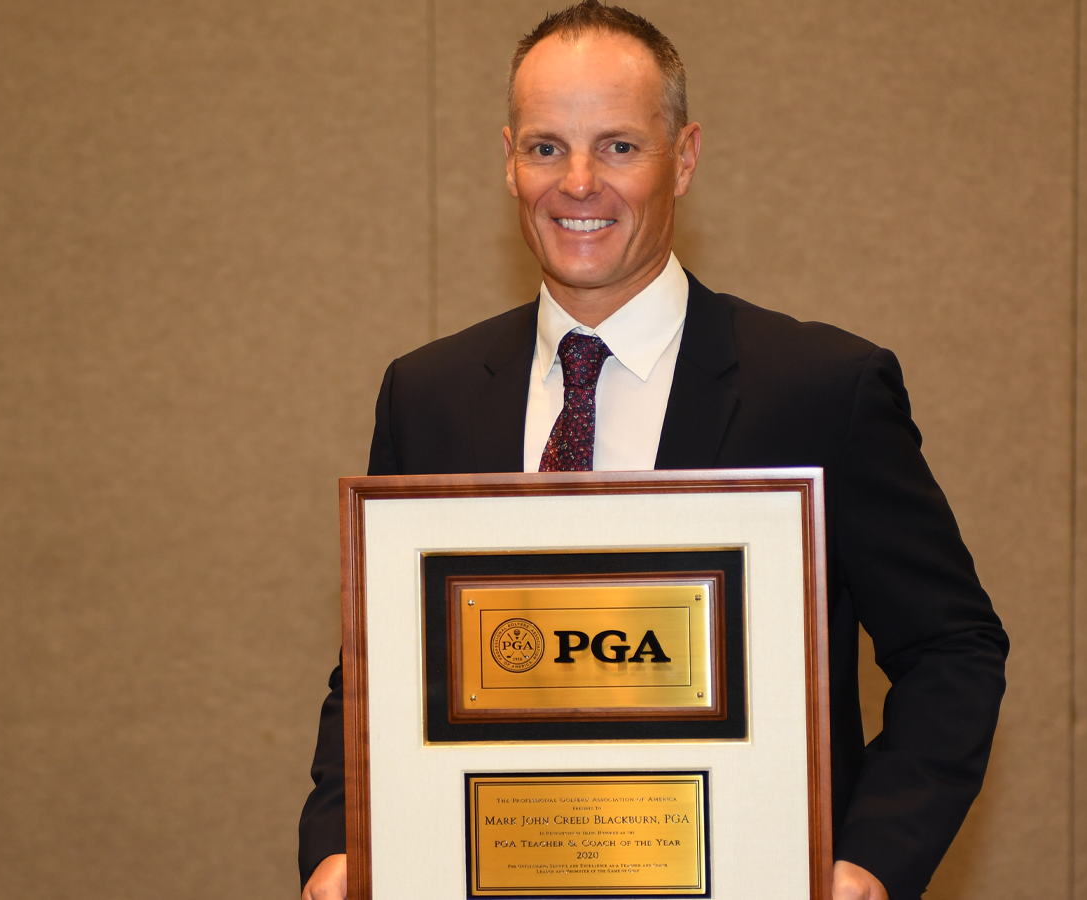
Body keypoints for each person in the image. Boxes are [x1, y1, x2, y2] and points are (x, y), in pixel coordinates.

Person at [298, 3, 1007, 898]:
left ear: (686, 158)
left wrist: (868, 861)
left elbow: (951, 648)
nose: (578, 183)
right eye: (547, 147)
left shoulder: (822, 390)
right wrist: (340, 841)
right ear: (509, 161)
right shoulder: (427, 393)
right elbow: (377, 668)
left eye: (620, 147)